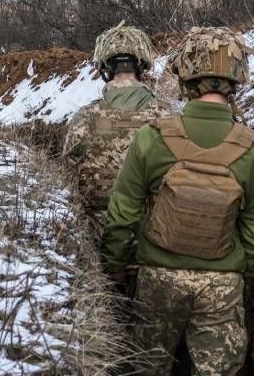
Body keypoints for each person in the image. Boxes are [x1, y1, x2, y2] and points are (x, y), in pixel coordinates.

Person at [102, 26, 254, 376]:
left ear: (184, 77)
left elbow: (123, 211)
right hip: (221, 285)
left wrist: (115, 264)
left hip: (157, 278)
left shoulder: (154, 137)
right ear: (236, 80)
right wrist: (237, 271)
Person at [63, 22, 173, 227]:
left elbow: (67, 178)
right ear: (142, 66)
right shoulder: (166, 115)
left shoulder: (86, 116)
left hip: (99, 232)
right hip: (152, 235)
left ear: (105, 68)